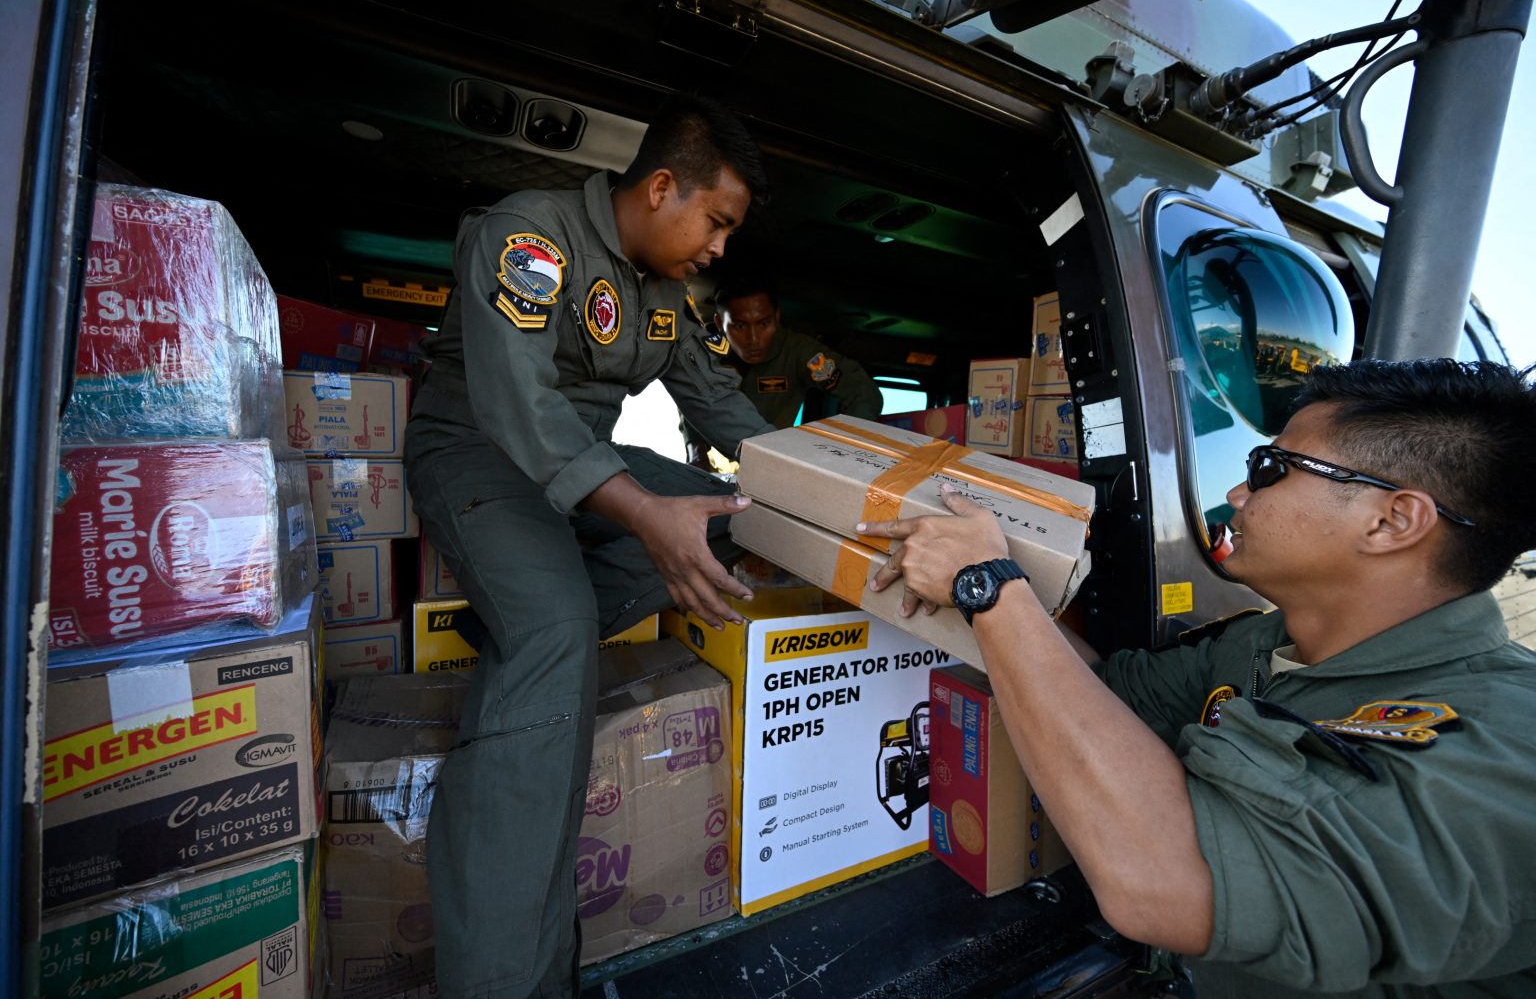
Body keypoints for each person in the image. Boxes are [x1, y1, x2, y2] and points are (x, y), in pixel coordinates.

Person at [860, 358, 1536, 998]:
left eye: (1271, 469)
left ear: (1392, 521)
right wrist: (992, 584)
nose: (1238, 492)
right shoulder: (1263, 644)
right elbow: (1101, 697)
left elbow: (1163, 889)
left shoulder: (1505, 745)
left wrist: (990, 589)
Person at [404, 94, 775, 999]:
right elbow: (517, 407)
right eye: (717, 221)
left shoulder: (668, 295)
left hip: (588, 469)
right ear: (660, 187)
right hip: (478, 453)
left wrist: (821, 490)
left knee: (745, 517)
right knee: (558, 627)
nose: (721, 248)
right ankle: (502, 980)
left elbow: (723, 411)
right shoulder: (532, 237)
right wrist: (646, 516)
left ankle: (539, 619)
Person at [682, 279, 883, 467]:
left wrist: (843, 454)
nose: (753, 339)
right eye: (740, 326)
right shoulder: (705, 349)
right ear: (719, 323)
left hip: (769, 461)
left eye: (763, 324)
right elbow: (691, 400)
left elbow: (864, 393)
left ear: (776, 318)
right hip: (715, 463)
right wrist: (695, 451)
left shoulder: (798, 351)